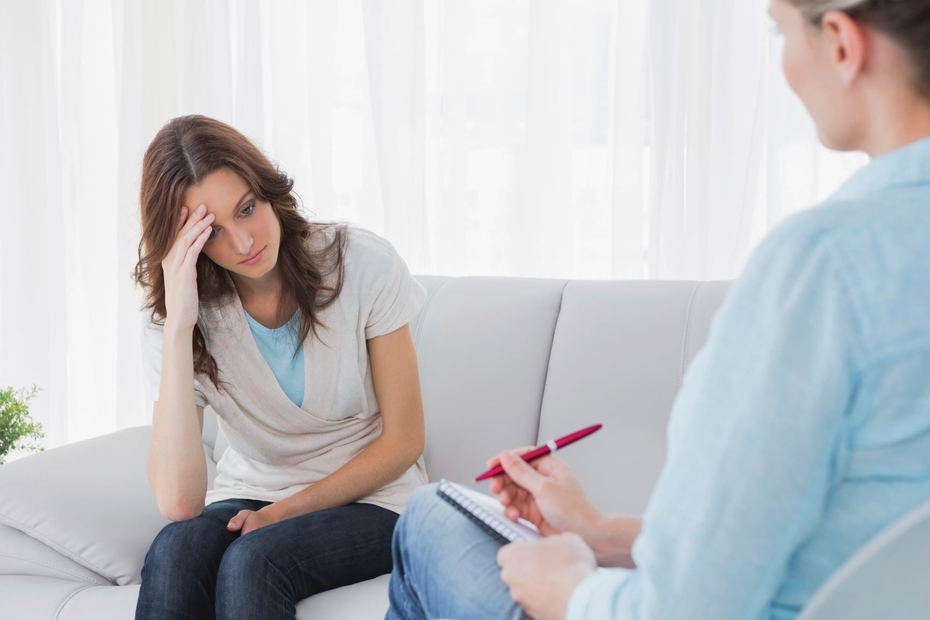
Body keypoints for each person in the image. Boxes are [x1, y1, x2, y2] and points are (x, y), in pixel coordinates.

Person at [385, 0, 930, 618]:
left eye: (781, 31)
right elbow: (825, 533)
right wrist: (596, 531)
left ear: (839, 43)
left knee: (429, 515)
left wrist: (572, 591)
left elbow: (688, 607)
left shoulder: (823, 266)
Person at [132, 114, 428, 620]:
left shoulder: (361, 265)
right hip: (253, 491)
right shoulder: (179, 319)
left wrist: (282, 512)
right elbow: (180, 502)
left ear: (268, 190)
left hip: (378, 501)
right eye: (213, 231)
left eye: (246, 209)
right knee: (173, 549)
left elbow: (404, 441)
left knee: (253, 562)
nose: (243, 243)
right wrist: (180, 327)